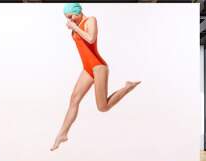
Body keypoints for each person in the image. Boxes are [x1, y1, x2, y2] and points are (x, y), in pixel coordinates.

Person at [51, 3, 141, 151]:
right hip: (87, 68)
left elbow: (91, 39)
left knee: (103, 107)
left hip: (98, 67)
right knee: (74, 98)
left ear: (78, 11)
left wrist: (75, 28)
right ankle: (62, 134)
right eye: (68, 18)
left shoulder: (90, 20)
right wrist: (75, 27)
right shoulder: (77, 24)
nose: (71, 20)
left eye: (72, 16)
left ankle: (128, 87)